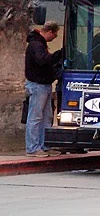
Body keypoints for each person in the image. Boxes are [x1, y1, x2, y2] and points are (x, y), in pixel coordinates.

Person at [25, 21, 64, 157]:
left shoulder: (38, 44)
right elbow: (42, 60)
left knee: (47, 117)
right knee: (35, 117)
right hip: (38, 85)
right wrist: (58, 54)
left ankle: (45, 145)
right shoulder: (36, 45)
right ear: (50, 32)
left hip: (43, 85)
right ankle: (33, 148)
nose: (54, 38)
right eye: (55, 35)